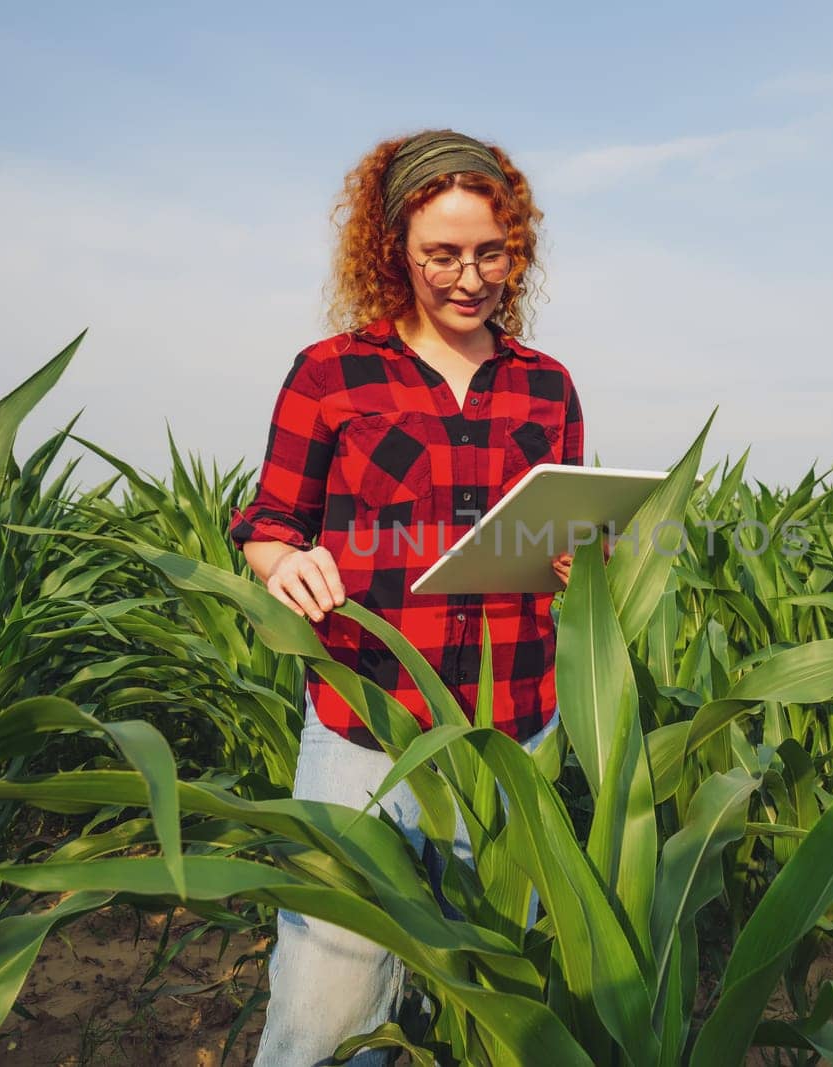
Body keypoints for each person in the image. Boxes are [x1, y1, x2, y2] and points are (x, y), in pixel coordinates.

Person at [228, 128, 584, 1066]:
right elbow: (269, 523)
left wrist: (580, 562)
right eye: (443, 254)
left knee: (497, 1010)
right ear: (395, 252)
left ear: (518, 249)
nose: (470, 277)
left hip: (511, 733)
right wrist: (281, 563)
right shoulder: (331, 372)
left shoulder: (548, 387)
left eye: (491, 252)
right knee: (323, 1018)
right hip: (367, 729)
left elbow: (564, 536)